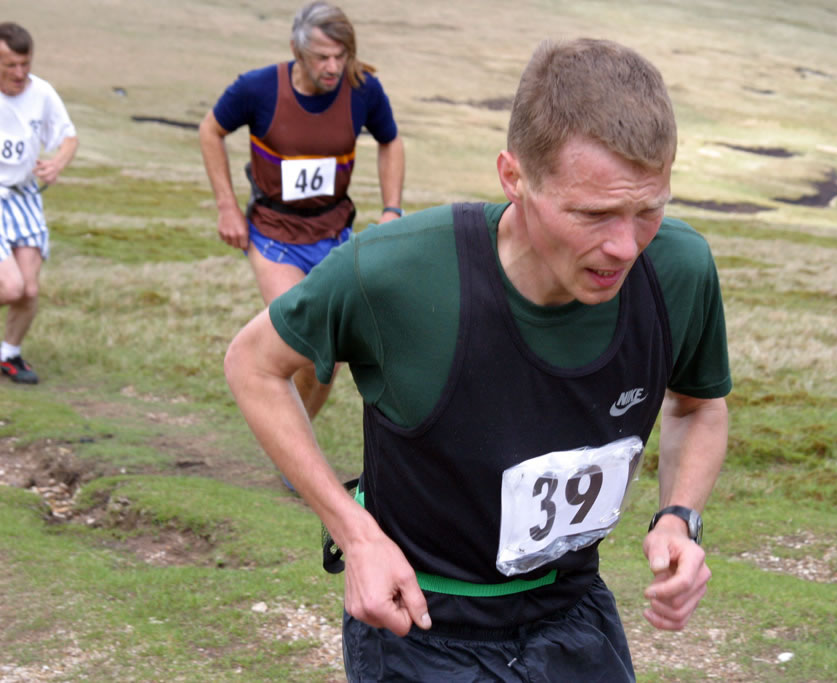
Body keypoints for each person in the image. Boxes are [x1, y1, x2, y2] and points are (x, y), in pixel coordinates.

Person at [225, 38, 730, 681]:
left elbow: (697, 406)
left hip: (574, 612)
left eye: (649, 210)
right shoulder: (398, 271)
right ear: (514, 178)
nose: (625, 246)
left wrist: (680, 517)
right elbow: (253, 364)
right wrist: (355, 534)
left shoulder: (679, 270)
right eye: (594, 214)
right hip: (420, 627)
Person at [200, 1, 404, 435]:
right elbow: (210, 130)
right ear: (297, 50)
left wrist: (392, 209)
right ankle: (290, 443)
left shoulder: (362, 89)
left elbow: (391, 140)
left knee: (328, 360)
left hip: (334, 235)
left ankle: (292, 441)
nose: (333, 67)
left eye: (341, 55)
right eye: (322, 57)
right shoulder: (257, 89)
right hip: (274, 236)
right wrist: (226, 205)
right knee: (307, 342)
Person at [0, 22, 78, 385]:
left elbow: (68, 137)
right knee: (10, 287)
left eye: (25, 64)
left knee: (29, 290)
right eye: (10, 65)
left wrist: (57, 163)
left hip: (24, 197)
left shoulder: (42, 93)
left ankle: (8, 355)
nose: (20, 73)